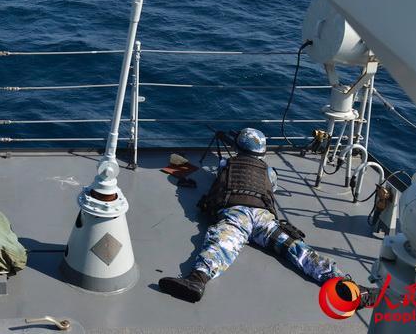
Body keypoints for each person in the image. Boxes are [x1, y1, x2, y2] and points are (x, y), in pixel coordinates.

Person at [158, 128, 372, 306]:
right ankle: (347, 285)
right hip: (264, 217)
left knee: (222, 244)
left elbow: (221, 179)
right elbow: (271, 188)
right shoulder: (269, 171)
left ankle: (197, 280)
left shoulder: (226, 164)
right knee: (298, 250)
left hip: (237, 213)